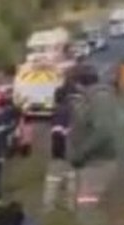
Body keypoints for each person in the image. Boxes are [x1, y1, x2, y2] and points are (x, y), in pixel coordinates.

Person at [67, 62, 119, 225]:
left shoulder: (99, 98)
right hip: (92, 163)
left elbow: (103, 131)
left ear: (78, 83)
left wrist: (80, 153)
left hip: (98, 163)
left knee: (87, 209)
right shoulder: (93, 98)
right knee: (90, 209)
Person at [42, 74, 80, 212]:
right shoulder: (76, 109)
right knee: (72, 178)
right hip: (74, 149)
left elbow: (57, 132)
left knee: (53, 179)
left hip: (61, 148)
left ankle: (49, 205)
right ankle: (70, 205)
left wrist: (57, 153)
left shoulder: (59, 111)